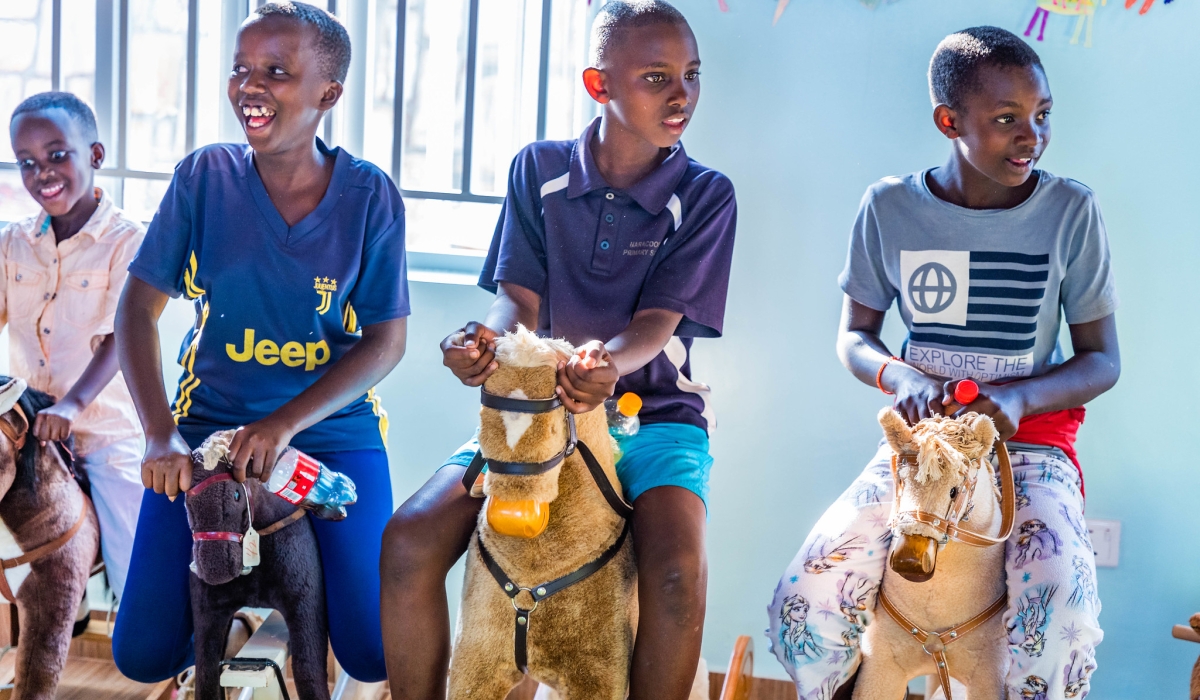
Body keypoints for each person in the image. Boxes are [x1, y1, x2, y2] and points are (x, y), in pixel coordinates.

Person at [379, 2, 736, 698]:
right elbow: (518, 303)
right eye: (656, 76)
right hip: (538, 413)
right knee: (409, 539)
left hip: (653, 417)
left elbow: (658, 324)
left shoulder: (705, 193)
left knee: (676, 574)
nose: (681, 94)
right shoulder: (537, 171)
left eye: (691, 75)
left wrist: (605, 364)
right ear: (599, 85)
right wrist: (485, 344)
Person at [767, 26, 1119, 699]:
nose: (1032, 136)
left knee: (1064, 614)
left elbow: (1102, 360)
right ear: (949, 121)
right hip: (920, 455)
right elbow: (855, 337)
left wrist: (1017, 400)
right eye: (1007, 119)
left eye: (1042, 116)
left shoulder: (1072, 211)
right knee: (804, 596)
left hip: (1030, 450)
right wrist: (902, 376)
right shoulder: (890, 207)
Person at [111, 1, 408, 684]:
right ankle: (238, 607)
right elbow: (136, 310)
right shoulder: (203, 178)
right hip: (209, 434)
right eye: (241, 68)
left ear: (327, 94)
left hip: (332, 434)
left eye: (276, 71)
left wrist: (283, 425)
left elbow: (386, 343)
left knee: (372, 653)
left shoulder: (369, 196)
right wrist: (160, 435)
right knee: (141, 656)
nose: (250, 85)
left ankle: (303, 602)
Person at [2, 91, 145, 602]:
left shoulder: (127, 241)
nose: (43, 172)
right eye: (28, 162)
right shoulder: (13, 241)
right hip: (28, 428)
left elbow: (121, 339)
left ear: (95, 156)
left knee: (136, 554)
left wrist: (72, 404)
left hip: (102, 430)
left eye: (57, 154)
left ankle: (170, 661)